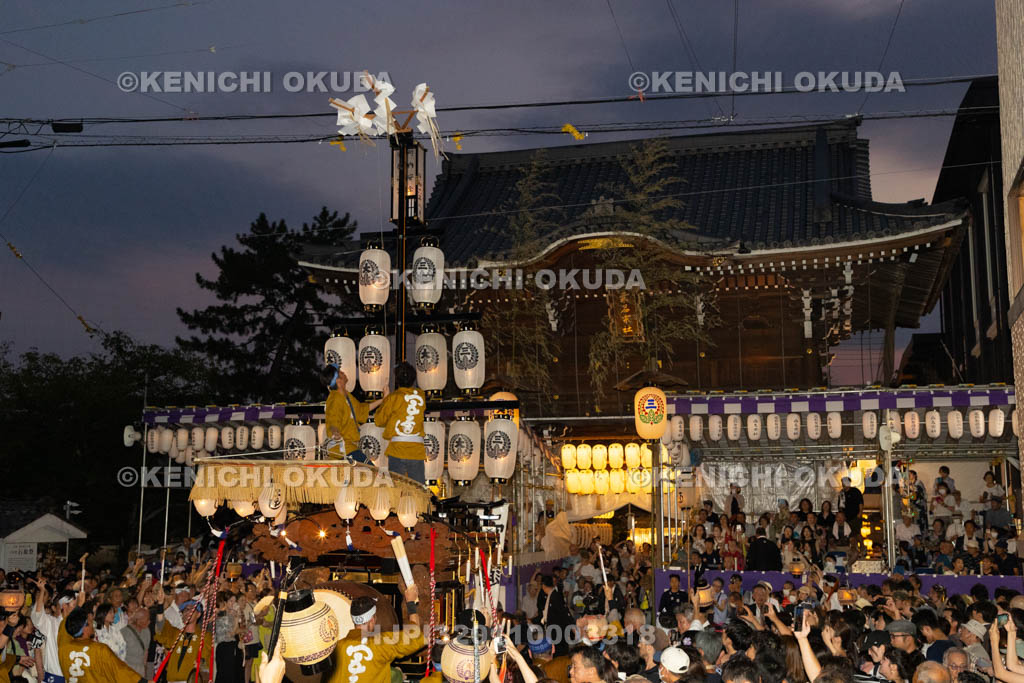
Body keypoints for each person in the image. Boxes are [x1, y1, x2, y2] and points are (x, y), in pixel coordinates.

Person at [328, 580, 424, 683]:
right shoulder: (381, 644)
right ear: (372, 620)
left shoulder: (336, 648)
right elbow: (414, 635)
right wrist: (411, 603)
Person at [58, 608, 145, 683]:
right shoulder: (100, 649)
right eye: (91, 622)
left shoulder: (63, 648)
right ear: (85, 627)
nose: (93, 625)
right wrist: (142, 681)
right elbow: (119, 671)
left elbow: (63, 629)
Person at [374, 361, 427, 481]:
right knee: (418, 490)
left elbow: (379, 420)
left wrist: (385, 398)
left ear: (397, 380)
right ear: (413, 380)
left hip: (397, 449)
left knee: (398, 489)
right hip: (416, 450)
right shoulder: (421, 396)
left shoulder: (393, 398)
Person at [321, 365, 373, 461]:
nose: (344, 373)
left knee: (368, 473)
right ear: (338, 381)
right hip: (342, 449)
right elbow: (333, 420)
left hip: (350, 448)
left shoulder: (347, 396)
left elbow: (362, 410)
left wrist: (383, 399)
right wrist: (335, 431)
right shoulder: (335, 399)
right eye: (341, 372)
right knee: (372, 472)